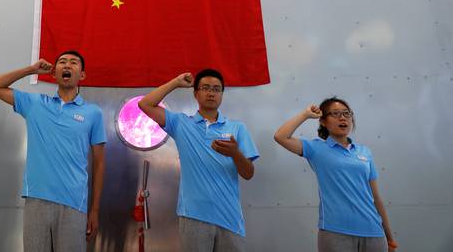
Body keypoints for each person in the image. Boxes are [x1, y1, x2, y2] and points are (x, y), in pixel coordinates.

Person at [0, 50, 106, 252]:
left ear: (82, 75)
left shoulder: (93, 113)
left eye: (73, 63)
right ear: (54, 72)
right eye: (62, 62)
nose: (67, 65)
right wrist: (31, 69)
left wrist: (94, 210)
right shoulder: (35, 104)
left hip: (74, 203)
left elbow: (100, 163)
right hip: (37, 200)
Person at [138, 68, 259, 251]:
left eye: (217, 89)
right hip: (194, 216)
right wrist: (176, 82)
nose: (211, 93)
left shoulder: (237, 128)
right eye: (205, 88)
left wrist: (235, 153)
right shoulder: (181, 123)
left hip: (230, 218)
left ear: (222, 95)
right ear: (196, 93)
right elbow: (145, 104)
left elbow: (248, 173)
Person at [273, 97, 397, 252]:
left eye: (346, 113)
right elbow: (280, 136)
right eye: (335, 114)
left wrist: (389, 237)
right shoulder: (316, 148)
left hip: (373, 231)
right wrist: (305, 115)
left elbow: (376, 197)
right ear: (323, 122)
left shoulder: (364, 152)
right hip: (335, 231)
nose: (342, 117)